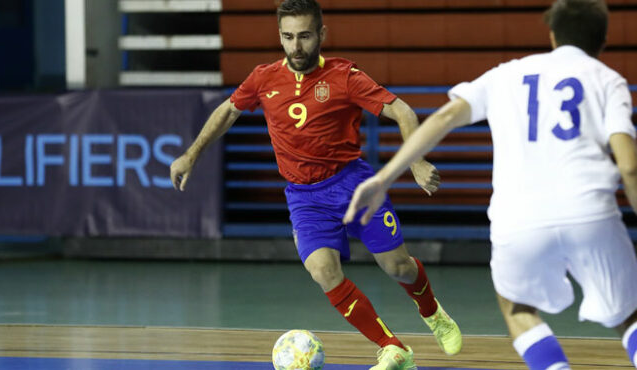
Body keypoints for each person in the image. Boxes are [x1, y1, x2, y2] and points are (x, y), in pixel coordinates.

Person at [343, 0, 637, 369]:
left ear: (552, 35)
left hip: (518, 221)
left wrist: (384, 177)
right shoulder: (607, 80)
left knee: (518, 309)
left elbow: (444, 118)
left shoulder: (507, 74)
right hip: (590, 212)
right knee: (633, 317)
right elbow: (631, 166)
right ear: (604, 40)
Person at [169, 0, 462, 368]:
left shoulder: (345, 76)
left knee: (397, 267)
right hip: (304, 197)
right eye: (288, 37)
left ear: (322, 34)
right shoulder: (263, 78)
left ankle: (432, 311)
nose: (296, 46)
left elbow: (401, 110)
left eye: (305, 36)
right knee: (323, 271)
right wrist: (191, 155)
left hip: (353, 185)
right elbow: (229, 109)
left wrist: (416, 161)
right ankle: (394, 349)